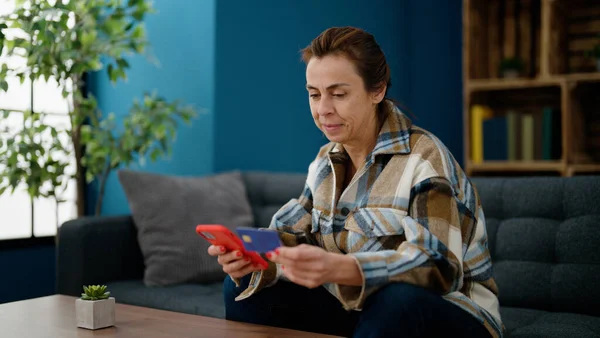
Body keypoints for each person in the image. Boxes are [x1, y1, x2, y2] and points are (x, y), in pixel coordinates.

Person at [207, 26, 503, 338]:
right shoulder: (325, 161)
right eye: (314, 94)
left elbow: (438, 268)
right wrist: (250, 252)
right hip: (363, 308)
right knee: (244, 286)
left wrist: (343, 269)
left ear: (377, 90)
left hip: (453, 313)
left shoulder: (425, 161)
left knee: (396, 300)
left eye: (338, 94)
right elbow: (292, 234)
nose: (323, 110)